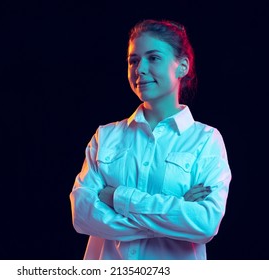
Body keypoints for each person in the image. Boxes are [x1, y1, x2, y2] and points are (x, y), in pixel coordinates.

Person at [69, 19, 232, 260]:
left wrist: (117, 198)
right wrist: (175, 211)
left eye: (153, 58)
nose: (140, 69)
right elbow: (82, 216)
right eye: (133, 61)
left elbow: (205, 223)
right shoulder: (105, 136)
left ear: (182, 66)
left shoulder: (206, 140)